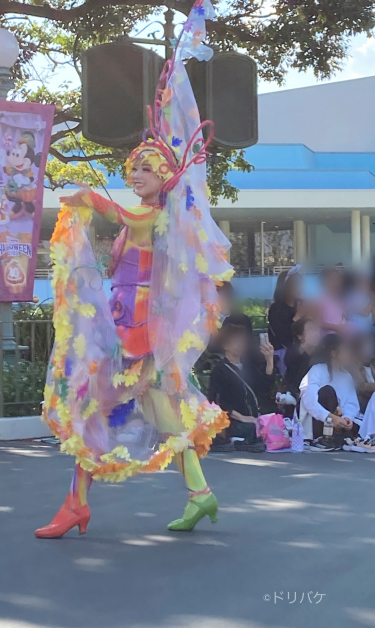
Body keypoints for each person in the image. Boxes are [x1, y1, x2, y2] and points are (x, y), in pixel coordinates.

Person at [37, 2, 233, 539]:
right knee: (137, 408)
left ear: (165, 176)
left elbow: (118, 212)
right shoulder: (140, 221)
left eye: (148, 168)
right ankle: (195, 493)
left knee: (95, 405)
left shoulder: (149, 216)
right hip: (128, 322)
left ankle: (79, 502)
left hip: (141, 330)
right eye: (135, 169)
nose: (139, 174)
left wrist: (85, 199)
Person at [208, 324, 275, 452]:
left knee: (275, 425)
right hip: (233, 421)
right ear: (225, 345)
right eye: (236, 341)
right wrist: (241, 417)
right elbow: (215, 401)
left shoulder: (250, 367)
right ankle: (237, 439)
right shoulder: (220, 370)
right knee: (251, 429)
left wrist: (269, 359)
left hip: (255, 418)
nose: (241, 344)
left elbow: (265, 388)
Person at [299, 334, 360, 451]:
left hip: (338, 420)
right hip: (318, 422)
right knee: (327, 391)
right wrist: (330, 417)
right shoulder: (316, 370)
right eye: (344, 350)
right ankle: (323, 437)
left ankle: (341, 433)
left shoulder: (346, 376)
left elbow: (351, 403)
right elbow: (310, 401)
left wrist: (347, 417)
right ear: (334, 353)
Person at [268, 265, 303, 376]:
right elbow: (283, 336)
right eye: (296, 285)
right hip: (284, 353)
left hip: (302, 350)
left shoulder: (302, 304)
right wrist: (297, 318)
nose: (300, 288)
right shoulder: (276, 309)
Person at [283, 318, 321, 399]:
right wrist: (306, 345)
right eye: (310, 329)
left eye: (315, 328)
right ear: (300, 336)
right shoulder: (292, 350)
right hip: (296, 392)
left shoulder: (322, 350)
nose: (315, 332)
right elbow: (290, 364)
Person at [347, 334, 375, 413]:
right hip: (363, 402)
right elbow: (361, 387)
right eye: (368, 344)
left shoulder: (372, 364)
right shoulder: (351, 364)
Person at [317, 268, 346, 336]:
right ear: (324, 282)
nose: (336, 282)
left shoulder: (339, 299)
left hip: (339, 339)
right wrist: (335, 327)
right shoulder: (320, 299)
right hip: (327, 340)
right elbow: (318, 322)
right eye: (332, 279)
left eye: (337, 279)